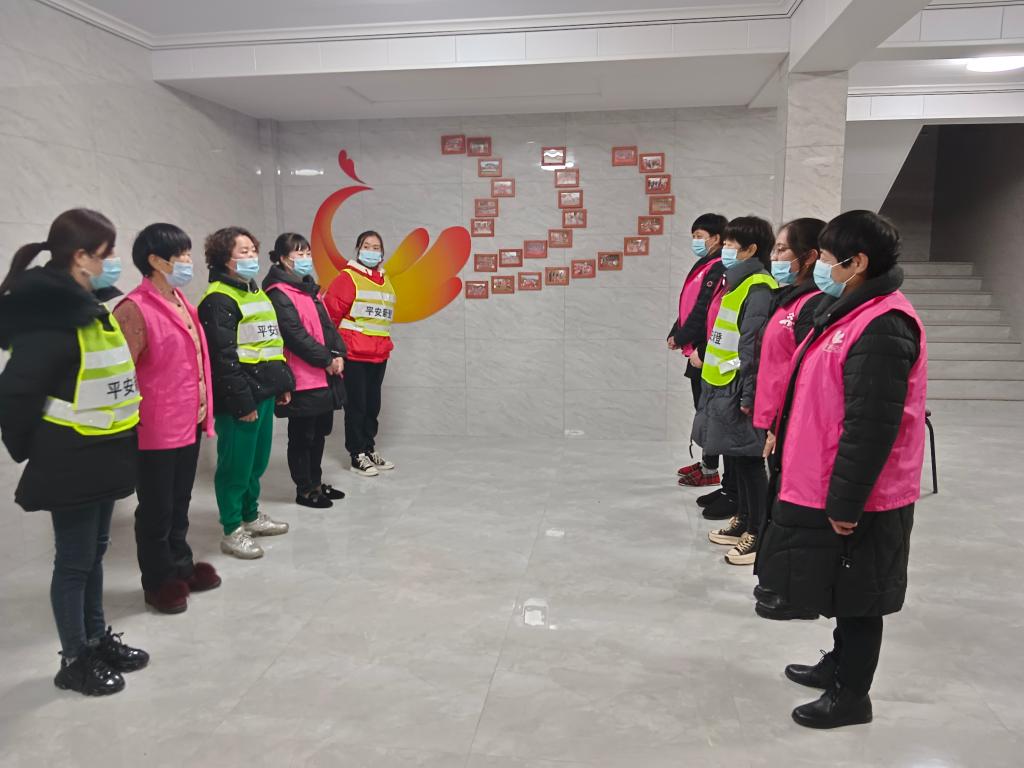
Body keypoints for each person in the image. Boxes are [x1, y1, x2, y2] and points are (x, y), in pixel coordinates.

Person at [757, 211, 927, 729]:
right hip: (828, 481)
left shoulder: (883, 325)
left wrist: (847, 502)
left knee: (860, 597)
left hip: (865, 494)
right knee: (839, 586)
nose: (820, 268)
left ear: (857, 263)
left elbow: (871, 426)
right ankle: (838, 664)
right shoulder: (850, 311)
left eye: (829, 259)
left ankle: (852, 696)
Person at [0, 208, 149, 696]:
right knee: (74, 561)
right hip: (70, 457)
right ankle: (74, 658)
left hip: (102, 453)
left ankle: (96, 638)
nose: (112, 263)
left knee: (95, 552)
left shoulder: (89, 307)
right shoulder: (51, 318)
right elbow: (16, 393)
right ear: (81, 257)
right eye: (107, 254)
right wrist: (34, 449)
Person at [114, 223, 220, 615]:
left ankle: (181, 565)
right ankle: (158, 581)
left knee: (179, 501)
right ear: (156, 261)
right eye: (181, 255)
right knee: (156, 508)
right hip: (155, 427)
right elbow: (122, 373)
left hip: (189, 419)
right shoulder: (134, 308)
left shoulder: (180, 302)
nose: (188, 262)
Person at [198, 227, 295, 559]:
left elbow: (270, 343)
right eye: (244, 251)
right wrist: (242, 402)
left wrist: (281, 384)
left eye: (253, 249)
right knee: (235, 466)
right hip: (240, 398)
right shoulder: (218, 299)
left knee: (256, 462)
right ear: (224, 258)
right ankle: (231, 529)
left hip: (263, 391)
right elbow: (223, 359)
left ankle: (250, 515)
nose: (252, 256)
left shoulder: (255, 292)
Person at [750, 218, 829, 621]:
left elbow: (802, 373)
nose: (775, 256)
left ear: (810, 256)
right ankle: (777, 579)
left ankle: (796, 592)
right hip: (773, 419)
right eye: (776, 248)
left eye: (783, 249)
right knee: (779, 506)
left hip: (791, 424)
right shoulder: (787, 298)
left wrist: (782, 428)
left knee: (793, 510)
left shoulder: (814, 303)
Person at [692, 215, 777, 566]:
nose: (724, 249)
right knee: (737, 459)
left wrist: (749, 395)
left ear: (751, 249)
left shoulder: (758, 287)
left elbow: (753, 347)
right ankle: (743, 518)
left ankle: (757, 532)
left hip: (739, 388)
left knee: (750, 461)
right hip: (723, 385)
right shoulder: (736, 282)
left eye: (730, 244)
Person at [263, 233, 347, 508]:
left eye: (308, 253)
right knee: (303, 435)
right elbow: (294, 335)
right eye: (299, 254)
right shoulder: (278, 292)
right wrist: (326, 360)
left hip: (324, 375)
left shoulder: (309, 289)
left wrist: (338, 353)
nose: (306, 259)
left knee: (319, 433)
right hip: (301, 378)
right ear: (283, 258)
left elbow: (327, 327)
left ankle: (316, 482)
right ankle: (305, 489)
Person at [323, 231, 396, 477]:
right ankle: (357, 455)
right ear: (357, 249)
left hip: (379, 354)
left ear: (382, 253)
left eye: (376, 247)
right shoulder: (348, 278)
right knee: (356, 406)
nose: (371, 251)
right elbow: (330, 318)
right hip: (354, 354)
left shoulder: (385, 280)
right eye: (367, 246)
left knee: (373, 405)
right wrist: (333, 353)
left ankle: (368, 448)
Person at [668, 214, 728, 492]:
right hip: (697, 348)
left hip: (706, 350)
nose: (695, 241)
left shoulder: (718, 267)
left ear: (716, 238)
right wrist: (676, 331)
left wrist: (682, 337)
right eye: (693, 236)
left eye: (699, 236)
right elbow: (689, 306)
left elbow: (705, 311)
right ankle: (707, 464)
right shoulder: (705, 264)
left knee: (708, 411)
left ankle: (710, 469)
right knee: (702, 409)